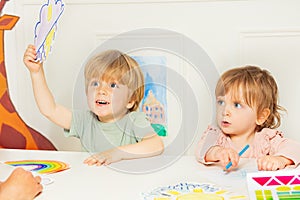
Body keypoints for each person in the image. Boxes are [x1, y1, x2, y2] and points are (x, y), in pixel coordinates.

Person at [23, 45, 164, 166]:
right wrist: (36, 73)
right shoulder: (84, 120)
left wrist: (116, 154)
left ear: (130, 100)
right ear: (86, 92)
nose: (101, 90)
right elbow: (50, 110)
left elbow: (156, 145)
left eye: (113, 85)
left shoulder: (134, 120)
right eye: (95, 83)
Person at [195, 65, 300, 171]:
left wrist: (279, 159)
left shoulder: (266, 140)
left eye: (237, 105)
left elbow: (296, 149)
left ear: (260, 116)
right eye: (221, 102)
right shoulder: (216, 135)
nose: (225, 111)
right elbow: (201, 150)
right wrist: (217, 152)